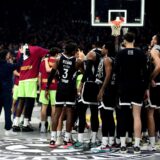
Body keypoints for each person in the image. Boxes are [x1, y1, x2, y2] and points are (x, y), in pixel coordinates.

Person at [115, 32, 149, 154]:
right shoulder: (141, 54)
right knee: (137, 116)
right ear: (134, 40)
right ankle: (137, 146)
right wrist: (144, 87)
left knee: (123, 116)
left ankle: (123, 145)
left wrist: (118, 88)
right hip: (137, 86)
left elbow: (116, 73)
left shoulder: (120, 54)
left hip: (124, 87)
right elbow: (145, 73)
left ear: (124, 40)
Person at [45, 42, 83, 148]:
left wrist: (47, 88)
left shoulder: (58, 59)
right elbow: (85, 73)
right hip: (71, 88)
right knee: (69, 112)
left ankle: (53, 139)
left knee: (57, 113)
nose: (76, 52)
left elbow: (52, 74)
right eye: (75, 51)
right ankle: (67, 139)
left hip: (61, 87)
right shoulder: (78, 61)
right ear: (72, 51)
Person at [13, 39, 49, 132]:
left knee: (21, 101)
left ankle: (15, 123)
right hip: (31, 79)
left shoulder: (21, 49)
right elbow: (51, 52)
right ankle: (25, 124)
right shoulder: (37, 49)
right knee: (29, 103)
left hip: (21, 79)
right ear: (33, 40)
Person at [74, 42, 102, 149]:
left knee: (82, 113)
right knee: (94, 113)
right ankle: (93, 139)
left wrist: (81, 84)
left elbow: (86, 72)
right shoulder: (102, 58)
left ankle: (80, 140)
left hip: (89, 85)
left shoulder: (91, 55)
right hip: (97, 86)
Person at [91, 41, 116, 152]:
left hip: (106, 91)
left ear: (106, 48)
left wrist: (102, 90)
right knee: (109, 117)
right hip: (110, 90)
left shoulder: (106, 59)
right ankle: (111, 141)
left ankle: (105, 143)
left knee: (105, 117)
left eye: (103, 47)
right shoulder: (112, 59)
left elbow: (108, 75)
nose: (101, 49)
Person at [0, 48, 23, 136]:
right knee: (7, 111)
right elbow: (19, 64)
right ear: (6, 56)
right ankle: (8, 128)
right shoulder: (9, 66)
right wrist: (21, 54)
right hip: (6, 92)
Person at [39, 47, 59, 133]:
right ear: (57, 54)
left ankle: (43, 126)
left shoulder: (43, 61)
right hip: (54, 86)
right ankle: (51, 127)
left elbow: (39, 75)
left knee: (44, 106)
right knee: (53, 107)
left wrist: (40, 87)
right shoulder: (57, 61)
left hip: (44, 86)